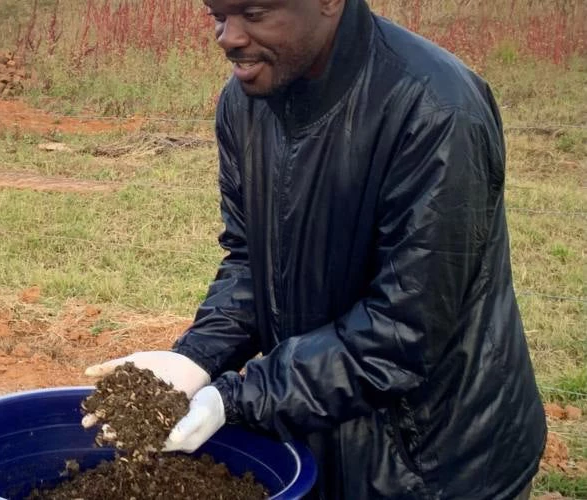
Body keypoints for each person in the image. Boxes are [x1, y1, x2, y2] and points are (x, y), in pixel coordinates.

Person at [83, 0, 547, 498]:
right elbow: (250, 262)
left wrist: (239, 399)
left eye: (254, 14)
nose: (228, 36)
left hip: (435, 461)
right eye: (217, 14)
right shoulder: (246, 101)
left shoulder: (436, 110)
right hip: (316, 428)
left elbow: (405, 330)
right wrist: (197, 357)